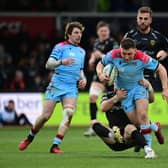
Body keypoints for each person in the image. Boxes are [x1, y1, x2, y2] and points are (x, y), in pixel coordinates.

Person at [18, 21, 87, 154]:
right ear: (68, 34)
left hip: (71, 87)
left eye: (80, 33)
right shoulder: (60, 47)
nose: (79, 35)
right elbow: (48, 65)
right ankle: (29, 137)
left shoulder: (81, 52)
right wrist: (61, 62)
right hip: (56, 85)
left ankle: (55, 145)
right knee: (45, 116)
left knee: (69, 113)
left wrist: (83, 79)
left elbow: (80, 70)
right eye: (76, 33)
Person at [96, 38, 168, 151]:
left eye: (129, 54)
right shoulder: (113, 54)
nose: (126, 57)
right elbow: (100, 64)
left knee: (143, 115)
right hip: (124, 93)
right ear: (120, 49)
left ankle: (148, 149)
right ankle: (155, 126)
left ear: (135, 50)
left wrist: (165, 89)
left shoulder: (142, 57)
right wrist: (100, 74)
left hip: (139, 87)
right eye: (124, 53)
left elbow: (161, 69)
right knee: (138, 123)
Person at [92, 78, 157, 158]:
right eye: (115, 83)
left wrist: (149, 87)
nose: (116, 85)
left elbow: (151, 100)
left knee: (129, 128)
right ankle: (113, 135)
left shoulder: (132, 93)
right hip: (115, 141)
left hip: (130, 136)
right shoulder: (109, 95)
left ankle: (148, 150)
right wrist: (117, 98)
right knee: (94, 124)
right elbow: (103, 108)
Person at [84, 21, 119, 136]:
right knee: (92, 97)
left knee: (111, 104)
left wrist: (102, 56)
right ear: (98, 32)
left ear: (108, 32)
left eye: (105, 31)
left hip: (111, 77)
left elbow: (115, 58)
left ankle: (113, 127)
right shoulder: (97, 43)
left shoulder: (113, 43)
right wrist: (91, 59)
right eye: (101, 31)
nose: (103, 33)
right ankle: (93, 125)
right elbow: (95, 54)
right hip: (99, 75)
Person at [124, 6, 168, 91]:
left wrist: (165, 53)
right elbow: (120, 55)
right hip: (132, 77)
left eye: (145, 19)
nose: (142, 21)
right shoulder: (129, 36)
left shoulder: (158, 37)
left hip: (152, 79)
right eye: (140, 18)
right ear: (137, 19)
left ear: (150, 20)